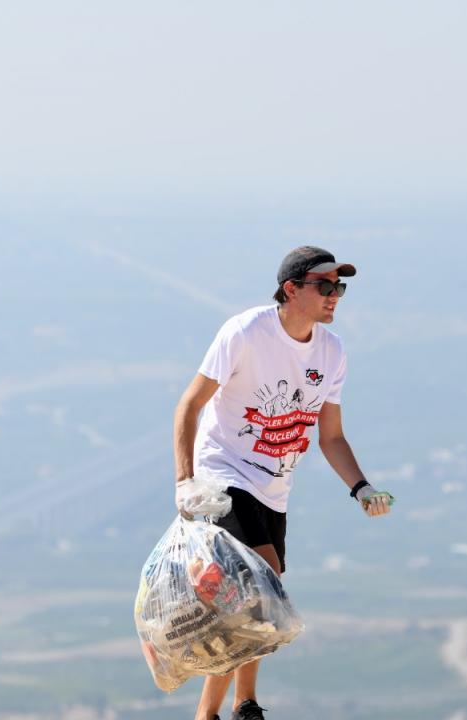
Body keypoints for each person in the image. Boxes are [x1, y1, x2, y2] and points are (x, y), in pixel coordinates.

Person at [173, 246, 394, 720]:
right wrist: (184, 481)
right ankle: (245, 704)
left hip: (274, 490)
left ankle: (214, 712)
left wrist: (362, 488)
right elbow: (189, 405)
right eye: (325, 286)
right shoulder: (247, 332)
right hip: (224, 474)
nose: (335, 296)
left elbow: (330, 437)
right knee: (261, 584)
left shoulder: (331, 352)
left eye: (341, 287)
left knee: (247, 605)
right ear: (291, 289)